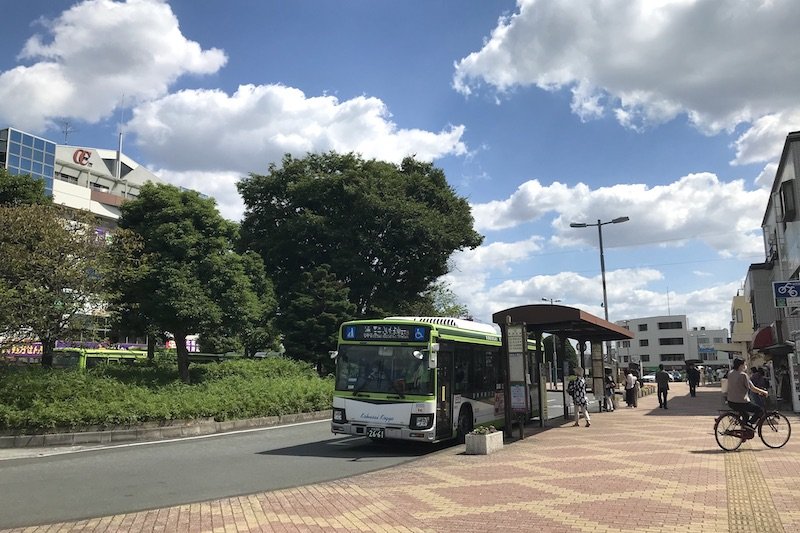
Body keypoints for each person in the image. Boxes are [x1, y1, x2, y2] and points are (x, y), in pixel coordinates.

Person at [727, 358, 768, 428]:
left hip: (731, 401)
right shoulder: (743, 375)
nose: (745, 366)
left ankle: (744, 431)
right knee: (759, 410)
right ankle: (749, 425)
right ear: (741, 365)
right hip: (741, 402)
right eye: (745, 364)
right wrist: (763, 392)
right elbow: (752, 388)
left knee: (746, 416)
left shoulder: (730, 373)